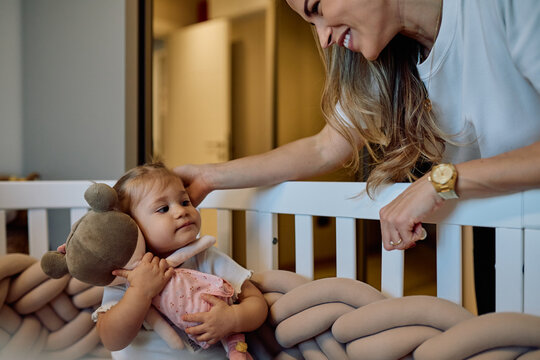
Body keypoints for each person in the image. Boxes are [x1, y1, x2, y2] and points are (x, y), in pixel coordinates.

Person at [175, 0, 540, 312]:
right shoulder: (393, 62)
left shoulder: (501, 8)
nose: (323, 37)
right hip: (498, 232)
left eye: (317, 8)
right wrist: (211, 176)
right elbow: (322, 148)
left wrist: (441, 181)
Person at [94, 162, 267, 359]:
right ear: (130, 227)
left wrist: (233, 318)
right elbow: (111, 339)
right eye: (163, 208)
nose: (181, 211)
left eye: (185, 202)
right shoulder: (124, 276)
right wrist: (139, 292)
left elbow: (256, 301)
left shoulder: (204, 256)